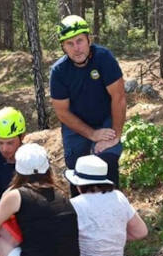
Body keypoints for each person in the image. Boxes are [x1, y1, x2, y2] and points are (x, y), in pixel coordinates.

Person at [49, 15, 127, 193]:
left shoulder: (104, 58)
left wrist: (115, 135)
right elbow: (62, 113)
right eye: (70, 43)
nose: (76, 48)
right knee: (77, 166)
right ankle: (80, 214)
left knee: (107, 159)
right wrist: (92, 134)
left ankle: (114, 207)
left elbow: (119, 97)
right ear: (63, 47)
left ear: (88, 40)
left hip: (106, 117)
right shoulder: (59, 72)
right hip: (76, 123)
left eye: (80, 41)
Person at [64, 155, 148, 256]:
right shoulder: (119, 196)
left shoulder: (75, 205)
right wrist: (112, 235)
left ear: (78, 184)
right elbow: (141, 232)